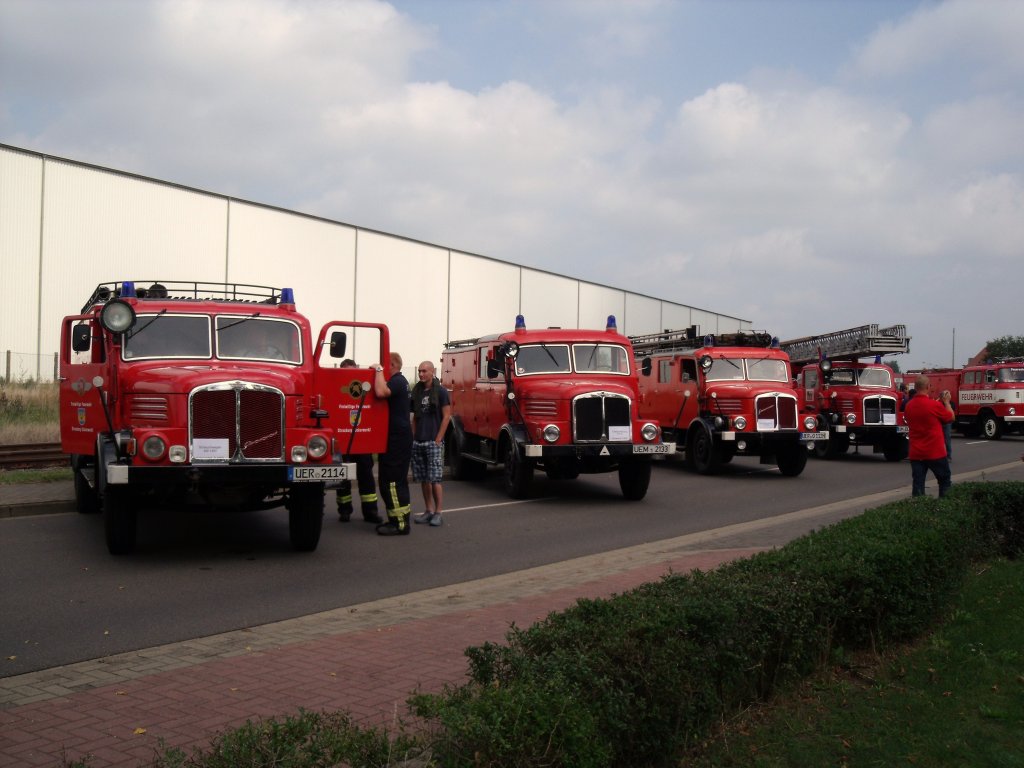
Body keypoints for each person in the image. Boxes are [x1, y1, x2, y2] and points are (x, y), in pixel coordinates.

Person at [335, 359, 381, 524]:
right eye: (347, 372)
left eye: (353, 371)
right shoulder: (336, 387)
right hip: (342, 441)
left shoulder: (365, 386)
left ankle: (370, 513)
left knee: (366, 478)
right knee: (343, 479)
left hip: (362, 441)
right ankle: (344, 511)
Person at [373, 352, 413, 535]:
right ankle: (396, 520)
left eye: (384, 364)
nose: (382, 367)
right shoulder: (399, 381)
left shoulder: (397, 380)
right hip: (396, 438)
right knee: (391, 481)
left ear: (392, 364)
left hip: (397, 440)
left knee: (392, 482)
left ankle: (400, 524)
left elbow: (380, 392)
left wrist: (377, 370)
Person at [410, 361, 452, 527]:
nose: (421, 374)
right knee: (423, 479)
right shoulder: (417, 392)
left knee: (435, 479)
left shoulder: (441, 391)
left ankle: (438, 512)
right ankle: (428, 510)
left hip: (433, 442)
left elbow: (447, 416)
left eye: (424, 371)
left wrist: (438, 439)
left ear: (432, 371)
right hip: (419, 441)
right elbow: (414, 417)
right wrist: (414, 437)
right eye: (419, 371)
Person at [904, 374, 954, 498]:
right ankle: (944, 507)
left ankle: (919, 509)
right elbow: (950, 417)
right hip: (934, 452)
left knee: (918, 484)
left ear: (915, 387)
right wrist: (946, 402)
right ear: (928, 386)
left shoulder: (909, 406)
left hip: (916, 452)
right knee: (944, 480)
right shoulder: (934, 405)